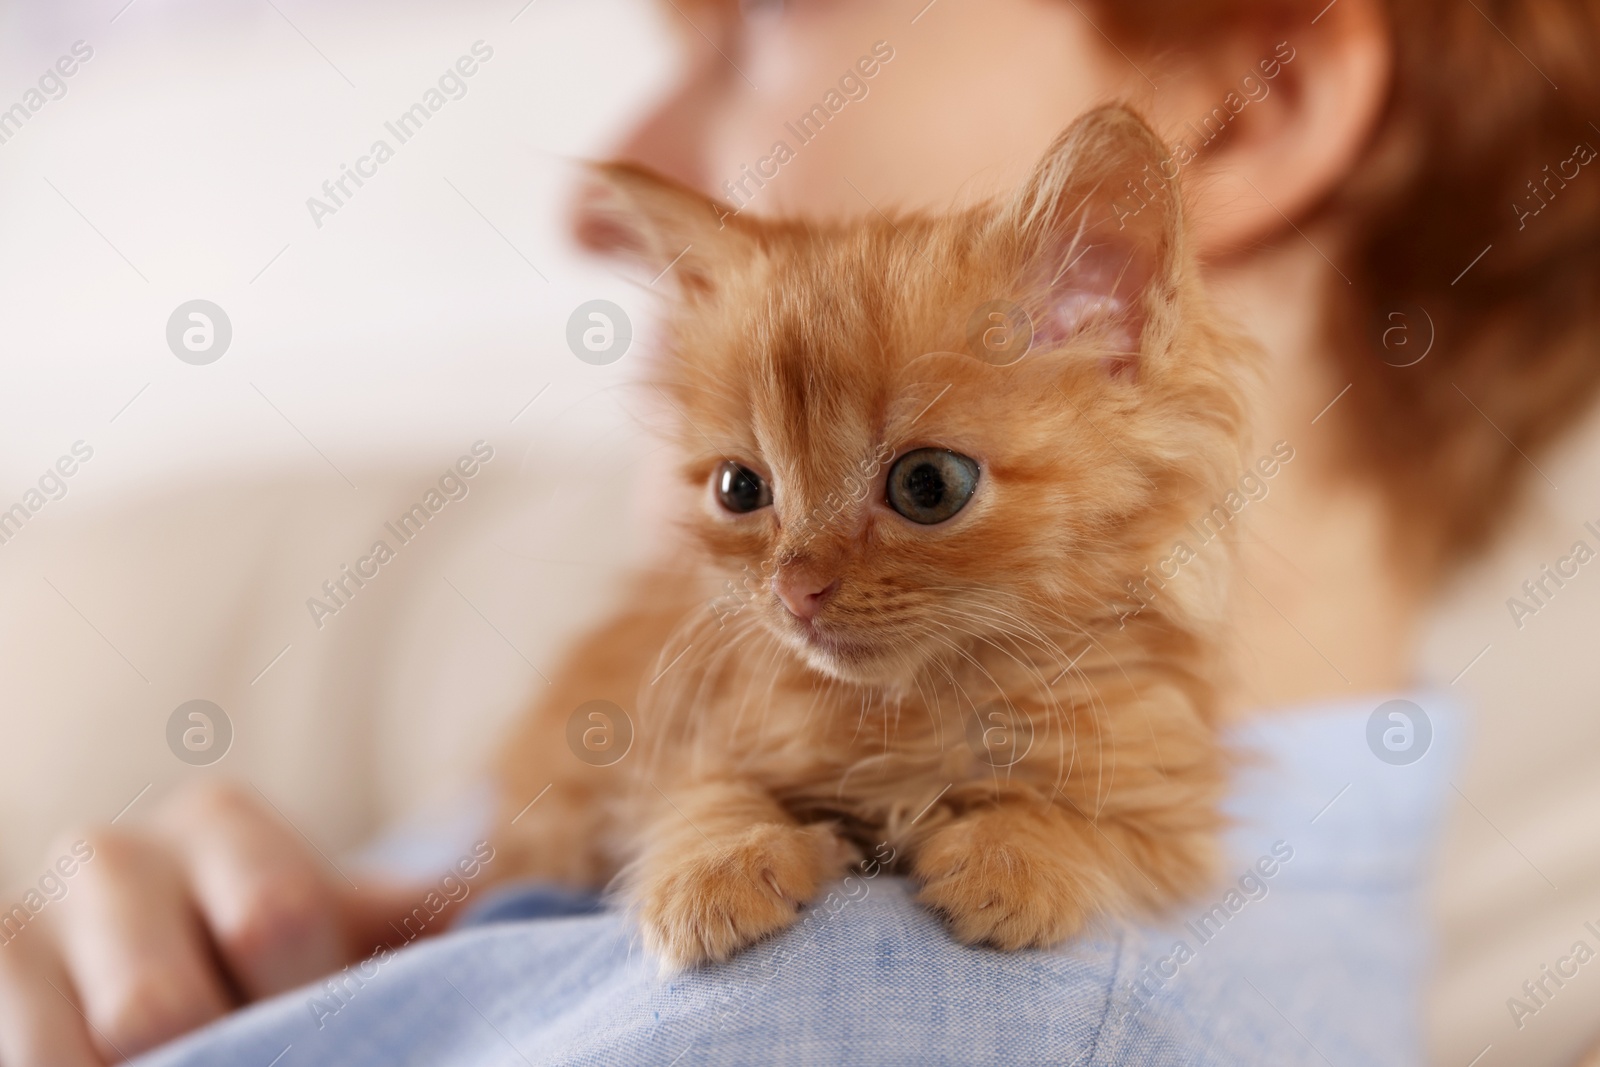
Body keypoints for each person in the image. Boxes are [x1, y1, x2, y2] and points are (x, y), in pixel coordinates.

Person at [4, 0, 1598, 1063]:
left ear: (1246, 115)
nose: (593, 208)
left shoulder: (885, 1003)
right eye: (747, 494)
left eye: (759, 23)